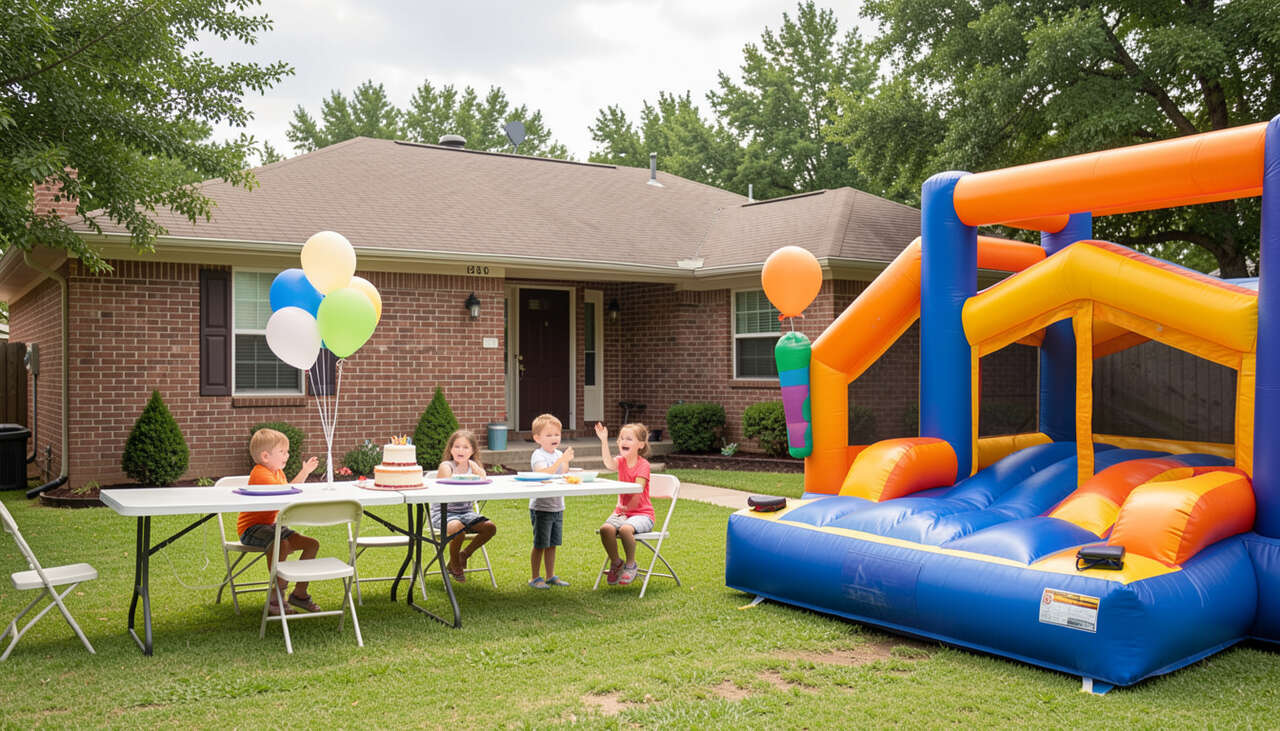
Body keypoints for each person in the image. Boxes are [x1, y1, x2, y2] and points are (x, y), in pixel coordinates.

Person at [237, 427, 321, 615]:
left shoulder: (277, 473)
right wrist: (303, 475)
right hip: (251, 529)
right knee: (281, 543)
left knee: (311, 545)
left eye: (287, 451)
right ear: (265, 456)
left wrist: (305, 472)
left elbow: (289, 489)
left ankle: (299, 594)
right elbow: (286, 492)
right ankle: (276, 597)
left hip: (272, 526)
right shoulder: (260, 473)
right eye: (282, 452)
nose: (287, 455)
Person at [595, 421, 654, 587]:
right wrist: (604, 440)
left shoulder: (643, 465)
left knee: (625, 529)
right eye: (621, 438)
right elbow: (609, 463)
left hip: (643, 514)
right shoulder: (621, 461)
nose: (624, 441)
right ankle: (616, 562)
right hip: (623, 513)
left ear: (640, 445)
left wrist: (627, 508)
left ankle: (630, 564)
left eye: (629, 439)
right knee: (605, 529)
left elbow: (638, 490)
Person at [434, 429, 497, 582]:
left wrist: (478, 471)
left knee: (490, 527)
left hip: (466, 513)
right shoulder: (446, 466)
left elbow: (484, 482)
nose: (460, 451)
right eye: (456, 447)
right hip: (444, 513)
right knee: (458, 529)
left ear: (472, 451)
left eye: (465, 447)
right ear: (450, 449)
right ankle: (455, 563)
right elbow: (448, 487)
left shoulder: (472, 466)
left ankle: (464, 554)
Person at [528, 413, 574, 589]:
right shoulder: (538, 455)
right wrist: (561, 460)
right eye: (549, 435)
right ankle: (534, 577)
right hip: (542, 507)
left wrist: (565, 461)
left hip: (557, 506)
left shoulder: (559, 454)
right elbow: (543, 473)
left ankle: (550, 575)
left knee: (553, 544)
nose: (554, 438)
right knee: (540, 544)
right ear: (537, 438)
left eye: (557, 434)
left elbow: (563, 473)